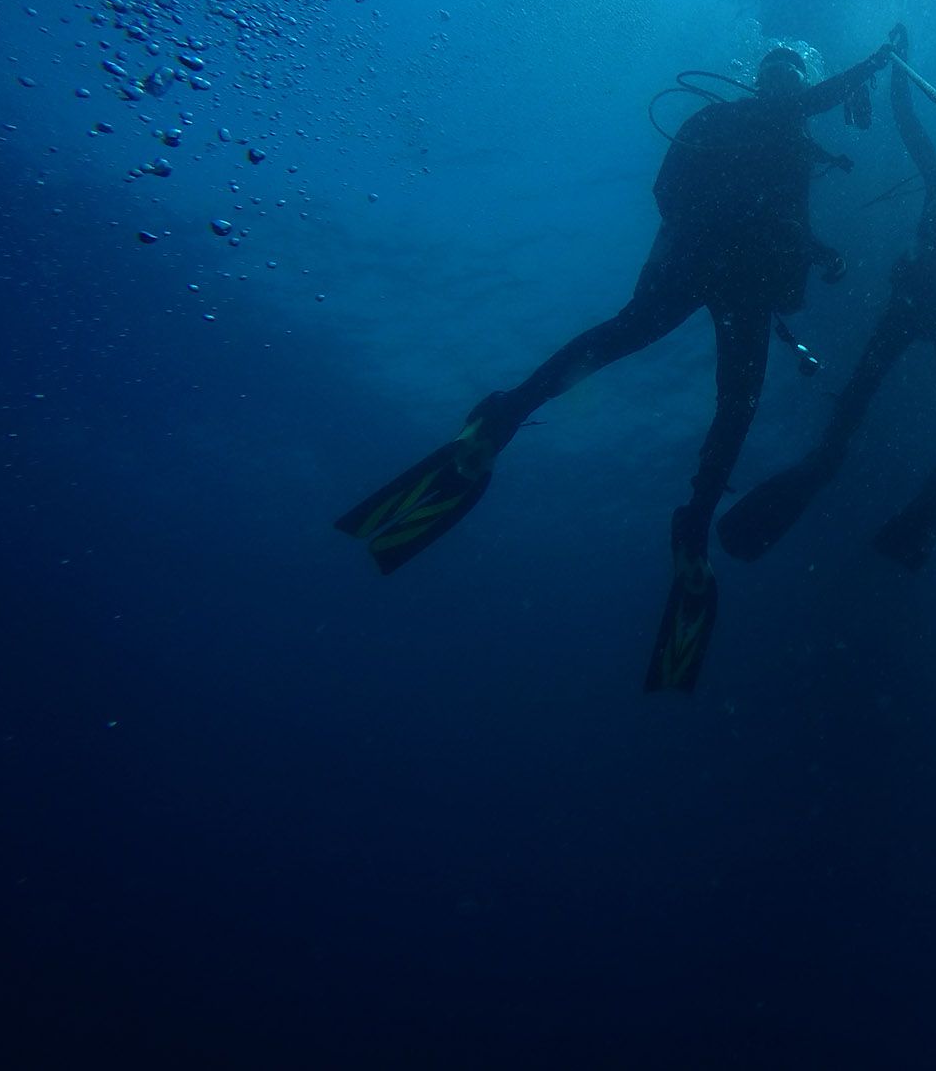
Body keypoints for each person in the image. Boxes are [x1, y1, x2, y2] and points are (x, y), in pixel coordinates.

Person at [335, 38, 897, 691]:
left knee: (630, 346)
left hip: (699, 265)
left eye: (788, 77)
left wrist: (811, 249)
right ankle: (692, 519)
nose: (783, 86)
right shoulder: (760, 120)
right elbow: (764, 163)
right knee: (729, 398)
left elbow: (688, 195)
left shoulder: (730, 125)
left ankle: (506, 420)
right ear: (771, 81)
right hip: (728, 275)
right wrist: (877, 61)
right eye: (783, 76)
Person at [716, 42, 936, 570]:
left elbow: (907, 118)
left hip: (916, 306)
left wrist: (899, 63)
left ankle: (829, 461)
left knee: (866, 395)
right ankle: (934, 478)